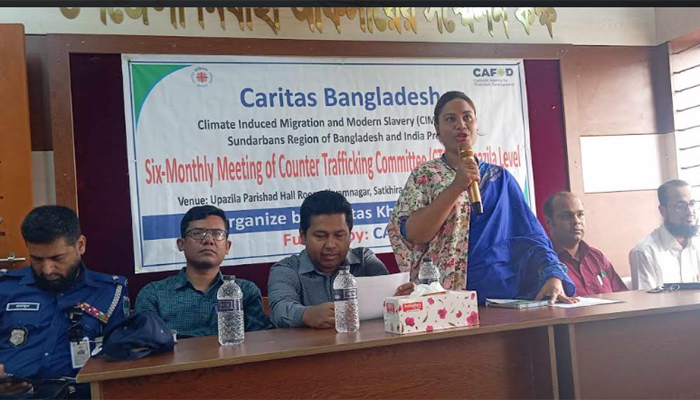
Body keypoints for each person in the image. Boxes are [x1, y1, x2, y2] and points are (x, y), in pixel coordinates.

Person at [388, 90, 577, 304]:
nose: (461, 125)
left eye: (467, 117)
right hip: (443, 300)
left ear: (476, 125)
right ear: (437, 128)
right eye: (450, 119)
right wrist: (456, 187)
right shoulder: (425, 175)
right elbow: (414, 234)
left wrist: (553, 276)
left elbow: (531, 237)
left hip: (500, 297)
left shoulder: (500, 179)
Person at [0, 205, 129, 389]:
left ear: (80, 245)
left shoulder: (109, 292)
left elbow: (121, 363)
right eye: (37, 259)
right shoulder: (5, 288)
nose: (47, 270)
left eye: (57, 258)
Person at [268, 190, 414, 329]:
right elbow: (279, 309)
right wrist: (306, 315)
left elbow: (389, 294)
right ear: (302, 236)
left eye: (339, 235)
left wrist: (405, 296)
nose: (331, 245)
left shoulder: (364, 261)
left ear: (350, 235)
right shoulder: (286, 269)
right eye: (320, 236)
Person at [135, 205, 269, 338]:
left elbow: (260, 341)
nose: (208, 240)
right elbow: (145, 342)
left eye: (217, 234)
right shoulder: (154, 294)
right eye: (198, 233)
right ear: (181, 244)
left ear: (227, 246)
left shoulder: (244, 291)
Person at [544, 191, 627, 295]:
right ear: (549, 222)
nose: (576, 221)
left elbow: (623, 296)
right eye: (567, 216)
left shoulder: (597, 257)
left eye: (580, 215)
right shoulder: (545, 260)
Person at [630, 180, 700, 290]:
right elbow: (646, 299)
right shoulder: (645, 251)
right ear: (663, 211)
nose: (690, 211)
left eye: (692, 203)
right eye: (681, 206)